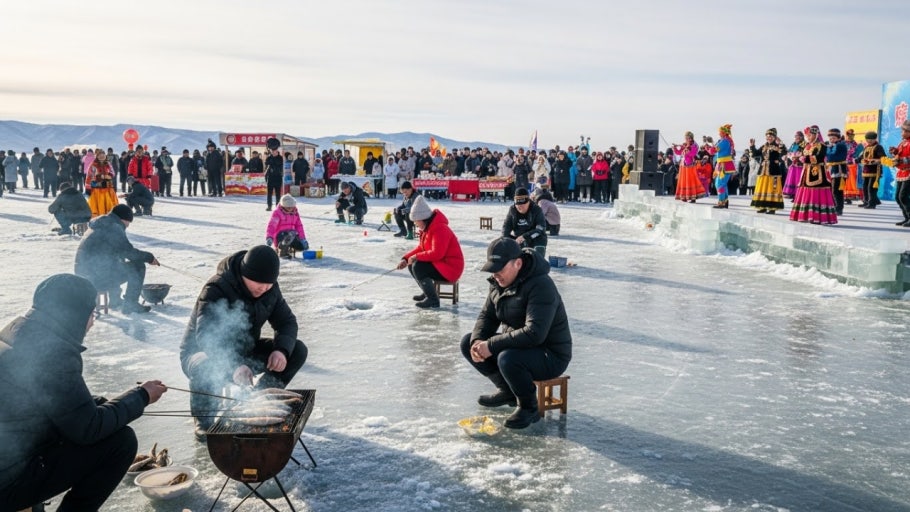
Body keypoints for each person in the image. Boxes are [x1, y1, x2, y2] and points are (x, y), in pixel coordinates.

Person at [0, 274, 167, 511]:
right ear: (74, 315)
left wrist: (101, 404)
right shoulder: (52, 353)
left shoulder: (17, 332)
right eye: (92, 314)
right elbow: (88, 429)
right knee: (121, 442)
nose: (93, 322)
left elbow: (58, 402)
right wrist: (142, 396)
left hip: (14, 455)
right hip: (9, 479)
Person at [179, 245, 308, 439]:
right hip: (205, 353)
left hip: (245, 350)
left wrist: (281, 350)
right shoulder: (216, 288)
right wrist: (233, 366)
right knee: (204, 364)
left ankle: (258, 399)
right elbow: (206, 336)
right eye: (259, 283)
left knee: (296, 350)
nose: (264, 288)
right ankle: (203, 419)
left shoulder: (270, 290)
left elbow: (286, 322)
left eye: (269, 284)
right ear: (244, 274)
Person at [459, 238, 572, 429]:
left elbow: (535, 333)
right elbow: (487, 316)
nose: (495, 275)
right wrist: (478, 341)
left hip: (550, 355)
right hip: (519, 347)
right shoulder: (498, 283)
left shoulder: (541, 285)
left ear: (517, 263)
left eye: (500, 269)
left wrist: (491, 345)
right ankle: (508, 391)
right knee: (467, 342)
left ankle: (529, 407)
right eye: (493, 270)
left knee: (508, 358)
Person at [74, 204, 160, 314]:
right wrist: (149, 257)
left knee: (116, 262)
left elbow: (114, 257)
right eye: (128, 222)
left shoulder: (101, 224)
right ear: (123, 219)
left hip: (83, 275)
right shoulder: (113, 227)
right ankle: (131, 304)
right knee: (138, 267)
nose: (128, 226)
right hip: (94, 279)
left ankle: (115, 300)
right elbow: (129, 253)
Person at [396, 195, 464, 309]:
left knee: (418, 266)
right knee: (412, 264)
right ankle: (427, 292)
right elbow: (421, 248)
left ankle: (433, 300)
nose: (415, 224)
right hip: (441, 264)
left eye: (415, 221)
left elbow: (437, 253)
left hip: (451, 268)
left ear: (422, 219)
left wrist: (416, 257)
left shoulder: (439, 229)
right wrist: (406, 259)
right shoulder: (427, 229)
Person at [790, 125, 837, 225]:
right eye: (807, 135)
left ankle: (817, 216)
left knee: (816, 192)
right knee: (805, 190)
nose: (809, 137)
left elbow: (819, 158)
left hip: (817, 172)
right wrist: (798, 158)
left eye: (810, 135)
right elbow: (804, 155)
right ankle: (805, 215)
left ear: (816, 135)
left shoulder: (822, 146)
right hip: (806, 171)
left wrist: (805, 159)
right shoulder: (807, 145)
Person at [748, 128, 787, 214]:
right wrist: (752, 146)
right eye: (767, 136)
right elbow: (755, 154)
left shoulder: (778, 146)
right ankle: (762, 206)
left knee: (772, 189)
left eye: (771, 136)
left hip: (773, 171)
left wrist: (780, 144)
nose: (769, 138)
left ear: (775, 137)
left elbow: (784, 153)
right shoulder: (764, 146)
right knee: (762, 188)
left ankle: (772, 208)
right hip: (763, 171)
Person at [502, 188, 548, 257]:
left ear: (528, 202)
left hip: (533, 238)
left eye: (523, 205)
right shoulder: (512, 210)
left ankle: (538, 259)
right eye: (518, 205)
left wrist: (525, 236)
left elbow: (541, 229)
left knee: (541, 237)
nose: (520, 207)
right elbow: (506, 227)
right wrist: (506, 240)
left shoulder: (536, 210)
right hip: (518, 239)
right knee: (503, 242)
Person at [267, 194, 309, 259]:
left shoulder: (295, 213)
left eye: (291, 207)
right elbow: (272, 225)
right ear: (283, 206)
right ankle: (282, 250)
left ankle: (289, 248)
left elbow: (299, 226)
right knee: (289, 235)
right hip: (280, 236)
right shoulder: (277, 213)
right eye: (288, 207)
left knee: (301, 246)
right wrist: (269, 237)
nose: (290, 209)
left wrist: (302, 239)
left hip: (292, 235)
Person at [707, 124, 736, 208]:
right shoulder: (725, 140)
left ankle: (721, 202)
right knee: (722, 184)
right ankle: (725, 201)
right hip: (724, 164)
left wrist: (707, 148)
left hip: (724, 165)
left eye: (720, 132)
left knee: (719, 184)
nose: (719, 133)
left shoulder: (724, 141)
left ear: (723, 133)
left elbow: (713, 151)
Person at [85, 149, 119, 217]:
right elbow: (89, 176)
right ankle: (99, 216)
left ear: (105, 156)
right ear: (97, 156)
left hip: (108, 186)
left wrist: (108, 176)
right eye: (100, 155)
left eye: (103, 155)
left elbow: (112, 173)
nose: (102, 156)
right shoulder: (93, 165)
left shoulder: (108, 164)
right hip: (98, 188)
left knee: (109, 203)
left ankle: (110, 215)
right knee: (99, 203)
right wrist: (88, 187)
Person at [889, 120, 910, 226]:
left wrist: (901, 160)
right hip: (902, 172)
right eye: (902, 131)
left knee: (903, 196)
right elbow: (900, 153)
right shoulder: (902, 142)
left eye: (905, 131)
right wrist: (895, 152)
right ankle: (907, 217)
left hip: (909, 172)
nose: (903, 133)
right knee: (898, 197)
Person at [859, 131, 885, 209]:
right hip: (866, 170)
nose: (869, 141)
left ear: (875, 139)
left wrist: (874, 161)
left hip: (875, 171)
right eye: (868, 139)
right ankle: (866, 201)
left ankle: (872, 204)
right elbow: (862, 156)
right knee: (865, 187)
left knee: (871, 188)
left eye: (871, 139)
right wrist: (857, 160)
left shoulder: (878, 147)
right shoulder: (866, 147)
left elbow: (883, 158)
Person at [825, 128, 849, 215]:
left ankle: (838, 208)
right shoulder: (834, 145)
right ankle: (835, 207)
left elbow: (831, 156)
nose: (831, 140)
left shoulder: (840, 145)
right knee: (834, 189)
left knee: (837, 190)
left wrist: (827, 149)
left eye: (834, 138)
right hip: (833, 169)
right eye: (830, 138)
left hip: (839, 170)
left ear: (838, 138)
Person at [782, 131, 806, 199]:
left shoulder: (804, 144)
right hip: (793, 164)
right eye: (796, 136)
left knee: (798, 179)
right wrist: (788, 156)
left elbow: (804, 153)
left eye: (799, 136)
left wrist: (797, 156)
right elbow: (789, 152)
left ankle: (798, 194)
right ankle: (791, 193)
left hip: (800, 165)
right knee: (791, 179)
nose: (797, 138)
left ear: (802, 137)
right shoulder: (793, 144)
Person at [264, 146, 283, 211]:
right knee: (269, 193)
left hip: (278, 177)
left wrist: (272, 159)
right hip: (270, 177)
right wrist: (269, 157)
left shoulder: (280, 158)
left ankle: (278, 207)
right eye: (272, 151)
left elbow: (278, 164)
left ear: (277, 151)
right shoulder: (269, 157)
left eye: (274, 151)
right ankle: (269, 206)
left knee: (278, 193)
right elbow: (266, 163)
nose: (273, 152)